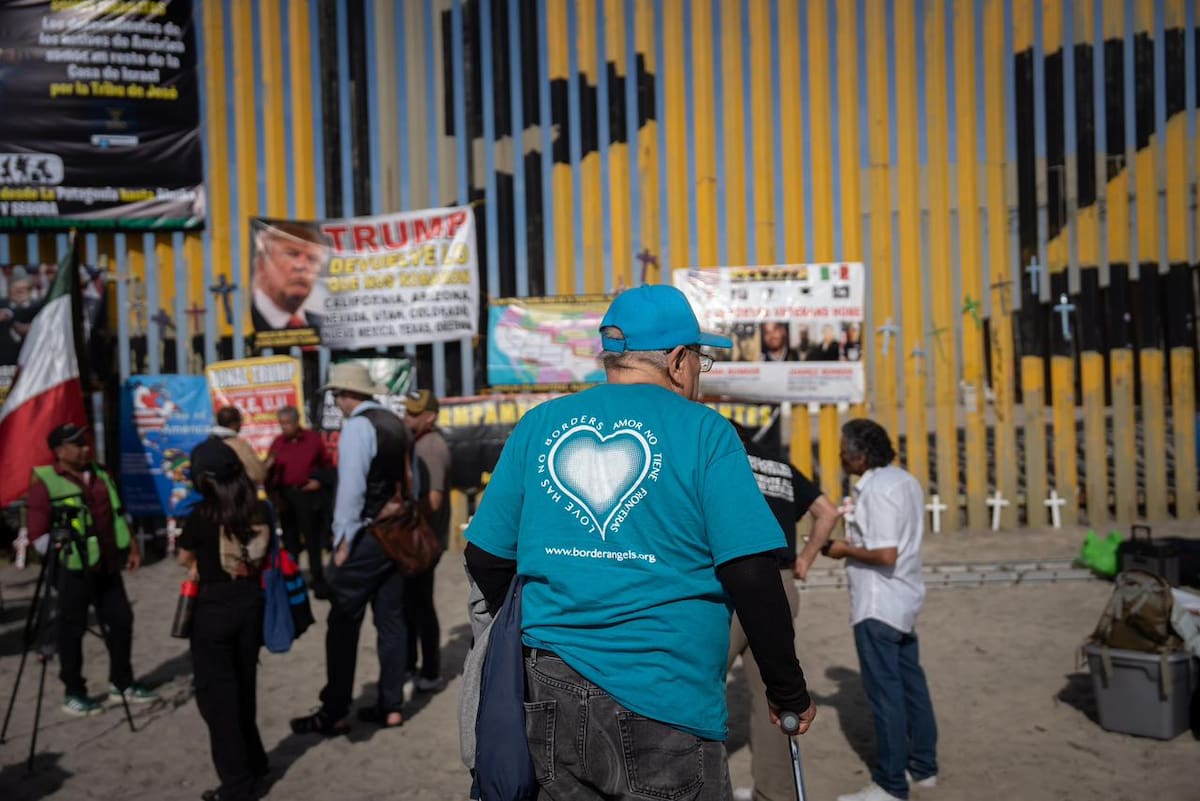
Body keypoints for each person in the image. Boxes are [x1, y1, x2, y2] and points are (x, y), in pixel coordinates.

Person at [464, 284, 816, 800]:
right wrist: (787, 689)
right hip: (665, 693)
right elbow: (751, 571)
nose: (699, 372)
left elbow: (485, 555)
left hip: (548, 685)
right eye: (700, 359)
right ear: (677, 360)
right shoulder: (706, 433)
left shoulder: (539, 424)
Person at [290, 362, 411, 735]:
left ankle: (335, 708)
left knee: (342, 622)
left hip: (368, 534)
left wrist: (342, 541)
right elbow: (412, 479)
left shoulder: (359, 426)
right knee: (391, 621)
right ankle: (391, 705)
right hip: (396, 533)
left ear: (344, 395)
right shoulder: (394, 422)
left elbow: (351, 491)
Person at [824, 419, 938, 801]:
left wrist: (842, 550)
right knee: (912, 686)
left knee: (885, 694)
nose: (840, 456)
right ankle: (923, 767)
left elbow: (886, 553)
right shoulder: (906, 481)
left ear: (859, 455)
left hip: (878, 604)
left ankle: (891, 784)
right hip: (906, 597)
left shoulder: (876, 489)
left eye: (843, 450)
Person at [728, 423, 841, 801]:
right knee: (774, 698)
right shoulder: (779, 465)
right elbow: (827, 512)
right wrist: (805, 560)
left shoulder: (723, 459)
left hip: (731, 584)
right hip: (781, 585)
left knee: (700, 687)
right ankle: (774, 793)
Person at [25, 423, 158, 717]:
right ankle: (74, 692)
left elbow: (118, 512)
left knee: (122, 621)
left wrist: (133, 547)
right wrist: (65, 551)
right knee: (71, 632)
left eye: (85, 442)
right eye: (77, 444)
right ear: (60, 451)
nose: (85, 448)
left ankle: (122, 683)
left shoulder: (101, 474)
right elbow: (38, 536)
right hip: (72, 571)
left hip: (107, 565)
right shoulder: (45, 482)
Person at [177, 437, 272, 801]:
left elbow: (185, 558)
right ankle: (256, 762)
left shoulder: (201, 515)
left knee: (218, 701)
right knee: (243, 688)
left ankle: (237, 785)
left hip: (213, 609)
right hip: (250, 604)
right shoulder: (258, 510)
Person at [402, 388, 452, 692]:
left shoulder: (431, 446)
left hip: (425, 540)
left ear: (430, 416)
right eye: (407, 411)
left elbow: (433, 501)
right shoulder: (421, 442)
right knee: (413, 605)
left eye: (415, 414)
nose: (408, 418)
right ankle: (420, 669)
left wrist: (398, 512)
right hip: (423, 539)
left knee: (418, 606)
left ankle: (429, 671)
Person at [266, 405, 332, 597]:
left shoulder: (312, 440)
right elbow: (268, 474)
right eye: (281, 424)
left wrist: (319, 481)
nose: (284, 427)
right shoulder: (277, 443)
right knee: (290, 541)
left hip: (307, 495)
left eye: (287, 423)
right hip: (286, 496)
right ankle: (292, 580)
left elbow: (327, 465)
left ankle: (317, 579)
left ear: (296, 422)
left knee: (312, 540)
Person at [250, 221, 329, 331]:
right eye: (292, 254)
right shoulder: (242, 321)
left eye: (312, 259)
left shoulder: (325, 324)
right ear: (261, 265)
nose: (302, 266)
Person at [207, 406, 268, 484]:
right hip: (235, 493)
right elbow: (258, 474)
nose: (241, 424)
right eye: (240, 421)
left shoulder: (207, 445)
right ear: (233, 424)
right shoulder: (239, 445)